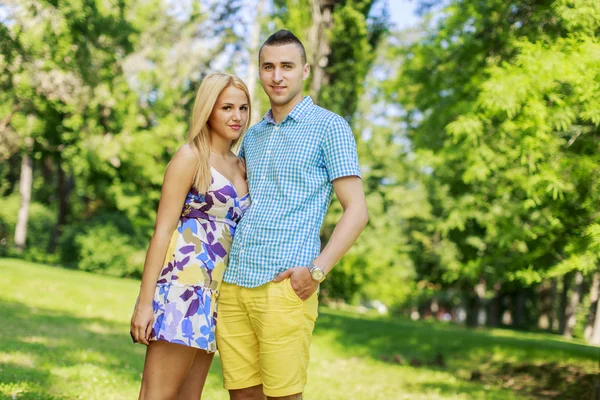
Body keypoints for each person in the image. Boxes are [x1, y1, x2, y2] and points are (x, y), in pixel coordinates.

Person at [216, 30, 369, 400]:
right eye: (268, 66)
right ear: (259, 72)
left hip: (285, 287)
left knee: (284, 396)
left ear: (304, 70)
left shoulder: (329, 127)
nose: (277, 75)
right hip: (235, 284)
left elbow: (357, 211)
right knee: (242, 395)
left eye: (286, 66)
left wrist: (316, 272)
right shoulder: (252, 136)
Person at [129, 72, 251, 400]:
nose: (236, 116)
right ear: (208, 109)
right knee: (157, 396)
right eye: (226, 107)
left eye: (243, 108)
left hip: (216, 297)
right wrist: (145, 303)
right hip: (182, 292)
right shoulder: (190, 157)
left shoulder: (242, 165)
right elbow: (162, 231)